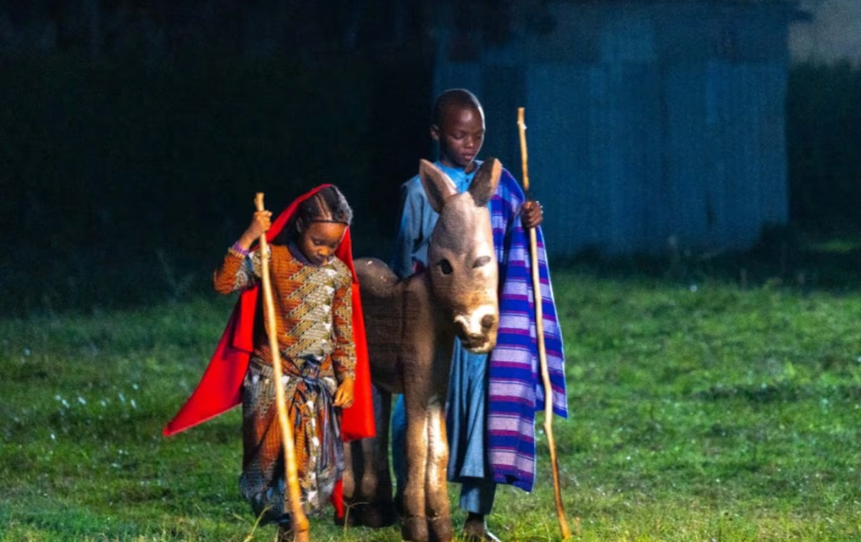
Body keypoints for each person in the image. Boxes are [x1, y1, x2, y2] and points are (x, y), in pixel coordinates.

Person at [390, 89, 568, 541]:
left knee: (482, 419)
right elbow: (406, 256)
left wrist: (527, 220)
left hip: (479, 327)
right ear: (436, 134)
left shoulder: (499, 185)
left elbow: (508, 245)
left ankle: (475, 518)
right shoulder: (419, 191)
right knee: (418, 414)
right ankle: (413, 501)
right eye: (458, 134)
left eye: (478, 135)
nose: (469, 143)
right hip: (434, 326)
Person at [163, 185, 375, 541]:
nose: (325, 252)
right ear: (299, 228)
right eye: (318, 242)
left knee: (307, 463)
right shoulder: (271, 259)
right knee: (268, 462)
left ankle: (298, 529)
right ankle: (286, 525)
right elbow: (223, 282)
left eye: (333, 245)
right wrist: (249, 235)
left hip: (315, 385)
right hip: (271, 381)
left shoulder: (338, 275)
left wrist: (347, 377)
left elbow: (343, 331)